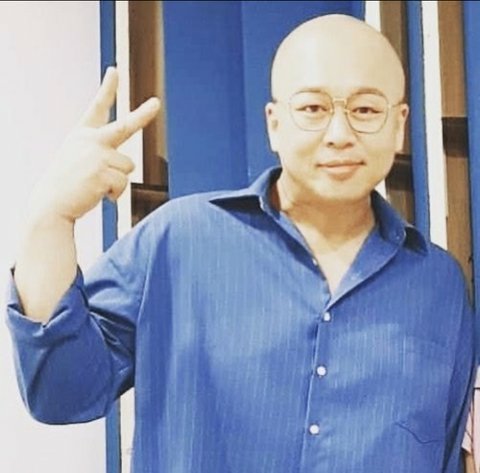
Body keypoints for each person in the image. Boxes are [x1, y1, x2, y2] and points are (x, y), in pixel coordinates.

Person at [6, 13, 475, 473]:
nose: (339, 135)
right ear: (274, 123)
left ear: (399, 125)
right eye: (313, 109)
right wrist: (50, 219)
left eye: (366, 110)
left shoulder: (438, 285)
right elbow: (59, 391)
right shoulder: (178, 242)